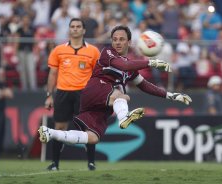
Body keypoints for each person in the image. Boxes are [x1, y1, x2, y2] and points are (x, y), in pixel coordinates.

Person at [39, 25, 192, 157]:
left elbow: (145, 85)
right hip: (95, 89)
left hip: (101, 105)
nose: (117, 42)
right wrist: (150, 62)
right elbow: (124, 66)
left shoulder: (131, 66)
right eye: (115, 39)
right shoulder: (107, 53)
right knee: (122, 95)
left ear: (129, 42)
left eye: (122, 39)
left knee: (92, 138)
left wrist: (171, 95)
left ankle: (49, 133)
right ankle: (124, 117)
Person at [44, 18, 100, 171]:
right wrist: (49, 95)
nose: (75, 29)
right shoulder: (58, 50)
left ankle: (91, 163)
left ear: (84, 30)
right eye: (73, 27)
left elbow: (98, 75)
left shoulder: (93, 51)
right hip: (63, 92)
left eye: (78, 27)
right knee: (60, 127)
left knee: (87, 129)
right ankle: (55, 163)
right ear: (69, 30)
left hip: (84, 94)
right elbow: (52, 73)